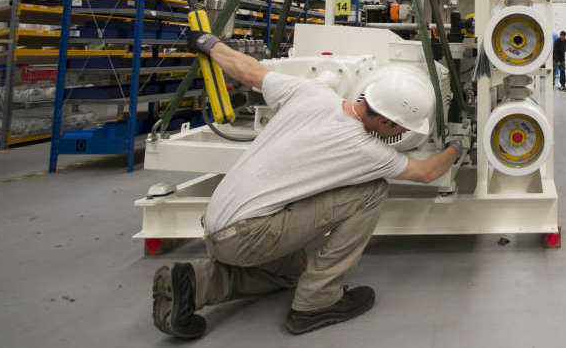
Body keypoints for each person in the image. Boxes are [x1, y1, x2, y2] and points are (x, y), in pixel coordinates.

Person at [152, 30, 464, 338]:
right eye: (400, 128)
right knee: (372, 191)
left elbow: (249, 70)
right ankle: (316, 302)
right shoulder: (367, 151)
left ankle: (193, 283)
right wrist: (457, 148)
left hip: (216, 227)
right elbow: (425, 173)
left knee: (291, 270)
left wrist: (211, 44)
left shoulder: (313, 93)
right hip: (248, 236)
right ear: (387, 122)